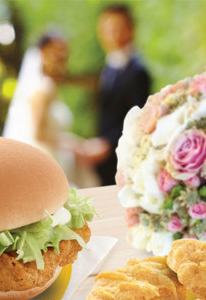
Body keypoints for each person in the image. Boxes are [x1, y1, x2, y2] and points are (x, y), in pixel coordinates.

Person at [3, 32, 99, 187]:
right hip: (47, 162)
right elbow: (39, 135)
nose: (61, 59)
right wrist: (76, 146)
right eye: (55, 53)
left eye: (64, 53)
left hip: (52, 159)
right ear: (42, 53)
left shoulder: (45, 87)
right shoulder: (44, 88)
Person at [73, 4, 151, 186]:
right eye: (106, 29)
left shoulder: (138, 71)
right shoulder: (108, 67)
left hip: (122, 155)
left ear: (130, 29)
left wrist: (107, 144)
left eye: (117, 28)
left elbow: (137, 117)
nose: (111, 34)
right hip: (103, 159)